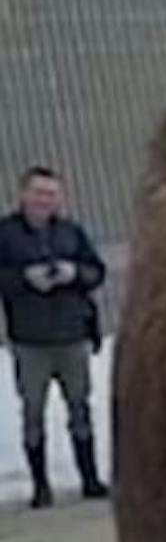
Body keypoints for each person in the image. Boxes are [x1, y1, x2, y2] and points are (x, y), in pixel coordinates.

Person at [0, 166, 108, 509]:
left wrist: (73, 273)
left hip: (71, 336)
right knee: (33, 412)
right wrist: (24, 278)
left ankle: (90, 479)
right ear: (23, 195)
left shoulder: (71, 233)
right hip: (30, 341)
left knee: (80, 408)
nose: (45, 200)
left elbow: (96, 271)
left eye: (51, 194)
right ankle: (40, 485)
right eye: (39, 193)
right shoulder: (6, 234)